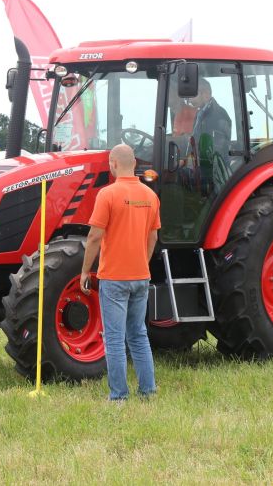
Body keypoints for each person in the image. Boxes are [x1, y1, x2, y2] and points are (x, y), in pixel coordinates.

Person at [80, 144, 160, 401]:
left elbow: (94, 236)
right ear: (134, 163)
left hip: (114, 278)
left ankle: (118, 396)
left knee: (114, 339)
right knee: (138, 335)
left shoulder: (107, 194)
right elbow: (153, 236)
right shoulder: (150, 196)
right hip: (140, 276)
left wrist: (84, 271)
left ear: (113, 164)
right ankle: (148, 392)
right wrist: (143, 264)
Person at [189, 78, 232, 195]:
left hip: (212, 171)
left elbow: (217, 150)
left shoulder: (218, 115)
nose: (190, 99)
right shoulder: (201, 113)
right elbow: (196, 137)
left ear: (206, 94)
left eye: (193, 95)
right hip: (201, 165)